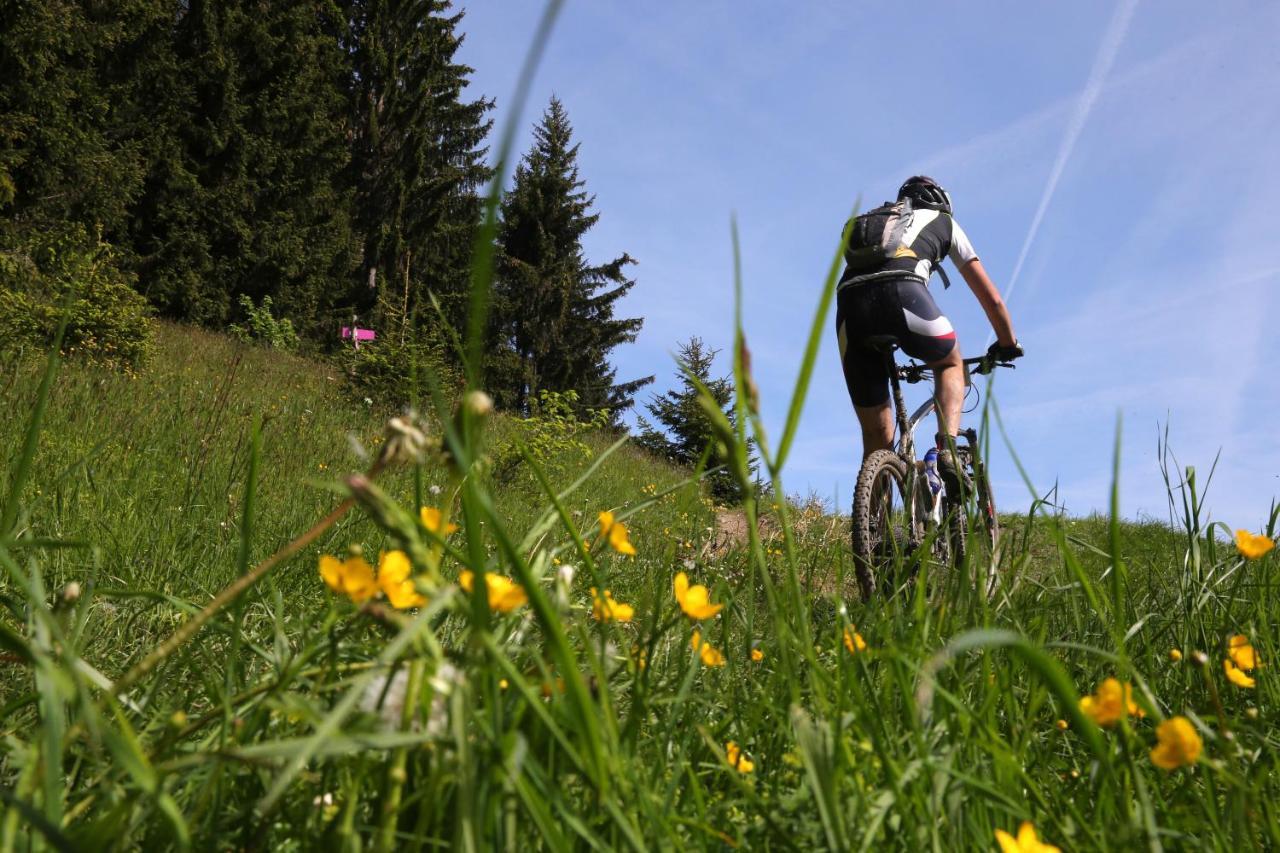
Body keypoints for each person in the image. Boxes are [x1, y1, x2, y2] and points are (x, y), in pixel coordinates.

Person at [834, 176, 1022, 491]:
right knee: (950, 363)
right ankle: (947, 450)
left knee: (877, 441)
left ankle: (873, 532)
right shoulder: (944, 221)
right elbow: (993, 300)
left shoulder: (875, 224)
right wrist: (1007, 343)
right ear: (940, 201)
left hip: (850, 310)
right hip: (903, 294)